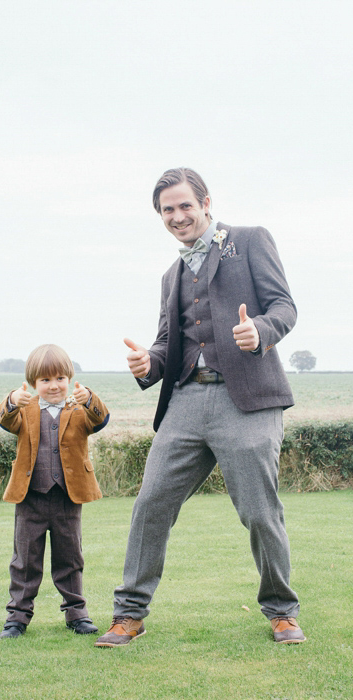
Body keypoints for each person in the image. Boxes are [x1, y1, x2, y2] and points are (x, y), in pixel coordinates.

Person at [95, 167, 304, 648]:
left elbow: (284, 307)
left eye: (185, 205)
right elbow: (169, 344)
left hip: (247, 401)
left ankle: (282, 612)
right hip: (186, 400)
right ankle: (129, 614)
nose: (177, 216)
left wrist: (261, 334)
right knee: (151, 504)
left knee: (258, 510)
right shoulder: (171, 274)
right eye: (167, 210)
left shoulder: (250, 240)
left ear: (206, 202)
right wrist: (148, 362)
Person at [0, 344, 109, 639]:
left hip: (68, 500)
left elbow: (100, 419)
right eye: (45, 380)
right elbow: (6, 421)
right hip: (30, 499)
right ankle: (17, 618)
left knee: (70, 559)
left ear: (69, 379)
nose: (54, 385)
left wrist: (91, 399)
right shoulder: (25, 410)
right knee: (24, 561)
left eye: (60, 378)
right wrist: (11, 401)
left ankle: (77, 614)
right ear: (33, 384)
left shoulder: (78, 409)